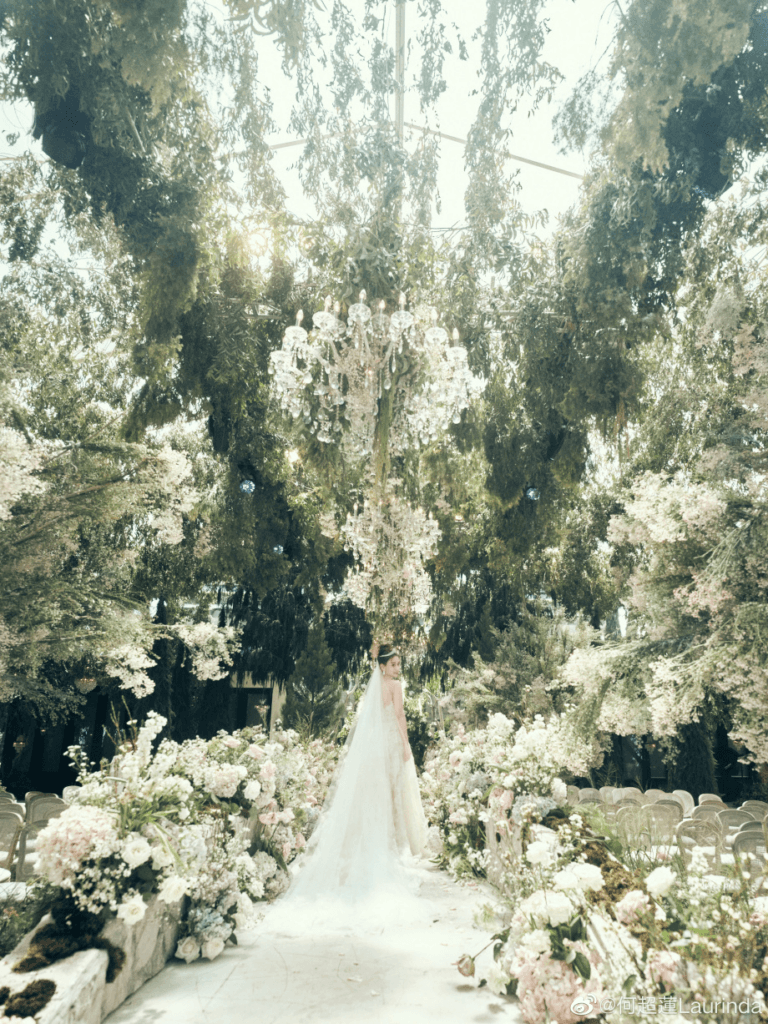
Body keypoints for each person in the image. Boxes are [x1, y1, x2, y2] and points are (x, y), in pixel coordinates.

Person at [259, 640, 435, 936]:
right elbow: (399, 716)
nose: (398, 668)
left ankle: (379, 843)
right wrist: (406, 745)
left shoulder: (374, 687)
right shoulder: (394, 686)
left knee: (376, 793)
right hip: (391, 743)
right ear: (382, 666)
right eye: (393, 664)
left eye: (398, 664)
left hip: (374, 747)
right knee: (392, 792)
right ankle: (390, 845)